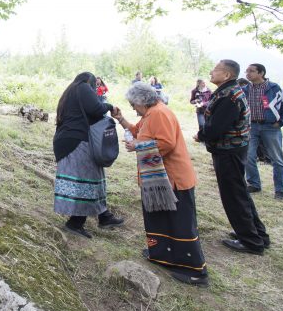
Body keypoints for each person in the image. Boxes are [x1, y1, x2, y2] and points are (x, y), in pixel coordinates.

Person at [113, 83, 208, 286]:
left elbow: (166, 143)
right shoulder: (149, 115)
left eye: (132, 104)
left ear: (141, 100)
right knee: (161, 218)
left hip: (173, 179)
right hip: (157, 180)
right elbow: (136, 130)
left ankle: (195, 271)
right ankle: (163, 256)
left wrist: (138, 145)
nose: (132, 108)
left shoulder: (159, 113)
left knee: (180, 223)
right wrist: (120, 119)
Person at [194, 60, 270, 255]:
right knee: (240, 192)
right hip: (233, 150)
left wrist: (200, 135)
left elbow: (216, 128)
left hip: (229, 152)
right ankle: (257, 234)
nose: (211, 72)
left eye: (216, 69)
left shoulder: (229, 96)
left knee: (234, 196)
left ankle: (251, 241)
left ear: (227, 75)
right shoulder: (230, 90)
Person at [54, 72, 125, 238]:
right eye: (96, 86)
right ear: (90, 82)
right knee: (86, 180)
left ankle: (104, 216)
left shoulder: (70, 91)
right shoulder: (83, 87)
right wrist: (110, 107)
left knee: (94, 176)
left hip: (69, 140)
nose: (95, 89)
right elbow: (96, 108)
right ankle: (75, 223)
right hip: (75, 141)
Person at [242, 63, 283, 199]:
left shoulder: (275, 89)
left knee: (277, 159)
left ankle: (280, 190)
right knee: (248, 156)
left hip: (271, 127)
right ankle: (254, 184)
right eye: (247, 71)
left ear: (261, 73)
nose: (247, 74)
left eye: (251, 71)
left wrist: (281, 122)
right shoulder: (245, 89)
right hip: (251, 127)